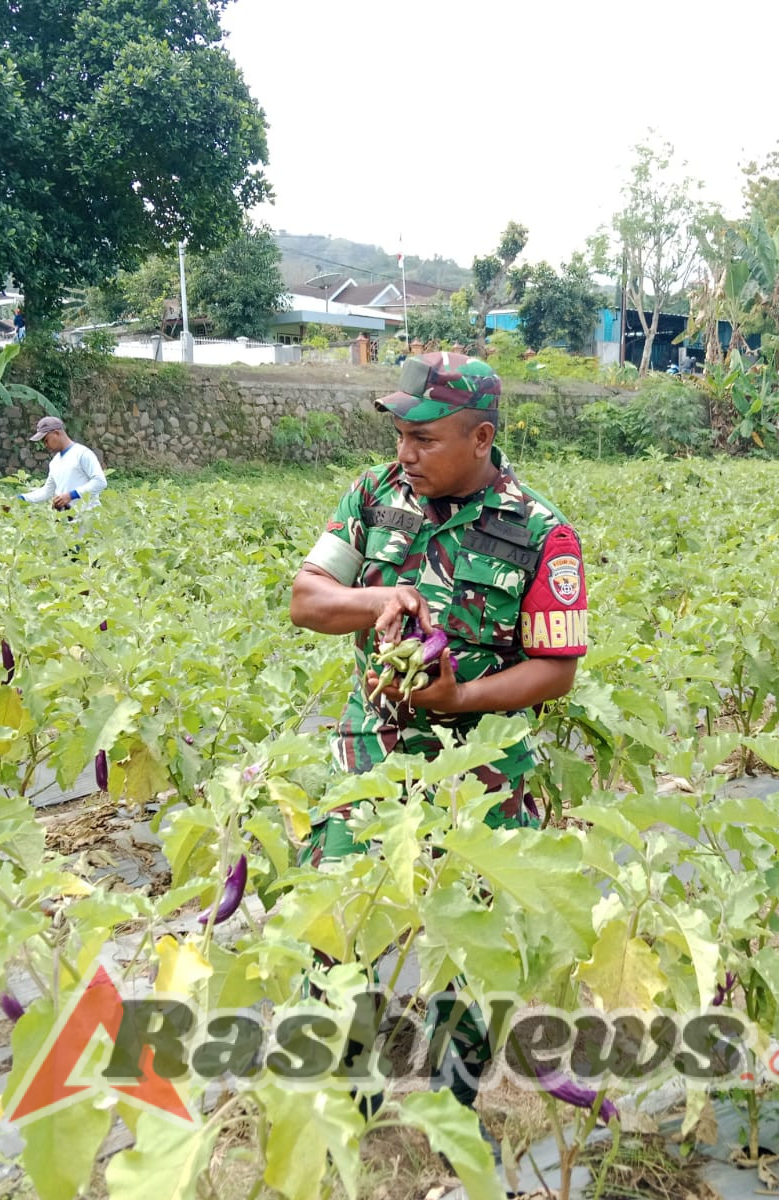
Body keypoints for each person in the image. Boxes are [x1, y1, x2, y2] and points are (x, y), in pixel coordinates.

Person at [288, 350, 589, 1111]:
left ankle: (457, 1107)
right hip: (372, 753)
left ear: (481, 437)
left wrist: (462, 696)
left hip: (479, 774)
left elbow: (556, 669)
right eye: (399, 435)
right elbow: (306, 599)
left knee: (471, 944)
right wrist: (378, 600)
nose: (405, 453)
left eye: (424, 439)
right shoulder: (372, 495)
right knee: (341, 919)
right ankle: (344, 1099)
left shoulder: (542, 533)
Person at [19, 415, 107, 513]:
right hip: (67, 519)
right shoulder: (54, 462)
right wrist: (21, 498)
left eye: (46, 440)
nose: (45, 445)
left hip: (88, 517)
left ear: (56, 433)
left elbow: (100, 482)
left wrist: (71, 495)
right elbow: (47, 492)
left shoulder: (82, 453)